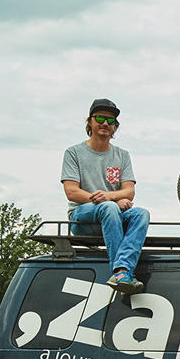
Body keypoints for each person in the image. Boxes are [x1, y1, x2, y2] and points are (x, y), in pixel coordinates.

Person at [61, 98, 151, 295]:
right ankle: (121, 273)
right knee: (109, 208)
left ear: (115, 127)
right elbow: (72, 191)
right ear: (90, 122)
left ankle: (122, 271)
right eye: (100, 118)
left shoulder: (122, 155)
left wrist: (110, 196)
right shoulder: (74, 153)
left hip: (113, 218)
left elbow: (129, 191)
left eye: (110, 121)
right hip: (82, 218)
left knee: (141, 214)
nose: (105, 124)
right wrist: (111, 201)